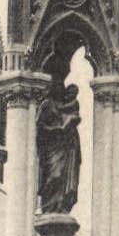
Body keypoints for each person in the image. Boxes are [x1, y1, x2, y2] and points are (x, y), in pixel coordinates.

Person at [37, 82, 82, 213]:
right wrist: (56, 130)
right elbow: (40, 125)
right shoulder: (47, 105)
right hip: (52, 147)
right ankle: (49, 207)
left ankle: (60, 205)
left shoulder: (70, 105)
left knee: (62, 177)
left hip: (65, 147)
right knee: (54, 176)